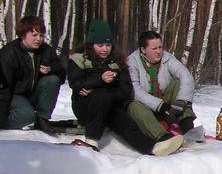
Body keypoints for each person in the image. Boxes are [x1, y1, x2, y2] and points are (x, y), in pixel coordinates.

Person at [67, 19, 183, 155]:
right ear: (91, 44)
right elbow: (75, 83)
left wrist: (107, 93)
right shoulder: (78, 59)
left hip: (110, 107)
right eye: (100, 45)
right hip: (85, 109)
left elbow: (126, 90)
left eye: (108, 45)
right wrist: (100, 79)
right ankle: (91, 140)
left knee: (126, 122)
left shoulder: (118, 62)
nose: (105, 49)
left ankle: (152, 148)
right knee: (101, 96)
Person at [127, 30, 198, 140]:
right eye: (154, 49)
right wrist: (159, 105)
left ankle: (187, 128)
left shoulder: (167, 58)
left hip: (168, 108)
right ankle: (164, 138)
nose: (159, 51)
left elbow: (186, 75)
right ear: (143, 49)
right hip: (146, 109)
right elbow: (135, 90)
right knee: (134, 105)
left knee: (179, 83)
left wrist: (182, 101)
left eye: (160, 47)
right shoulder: (132, 62)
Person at [0, 15, 65, 132]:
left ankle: (42, 119)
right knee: (27, 116)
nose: (38, 39)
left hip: (34, 93)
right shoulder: (9, 52)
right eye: (34, 35)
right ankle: (5, 123)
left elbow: (61, 75)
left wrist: (50, 70)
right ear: (23, 35)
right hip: (15, 95)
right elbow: (4, 87)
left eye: (41, 35)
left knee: (52, 80)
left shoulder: (46, 50)